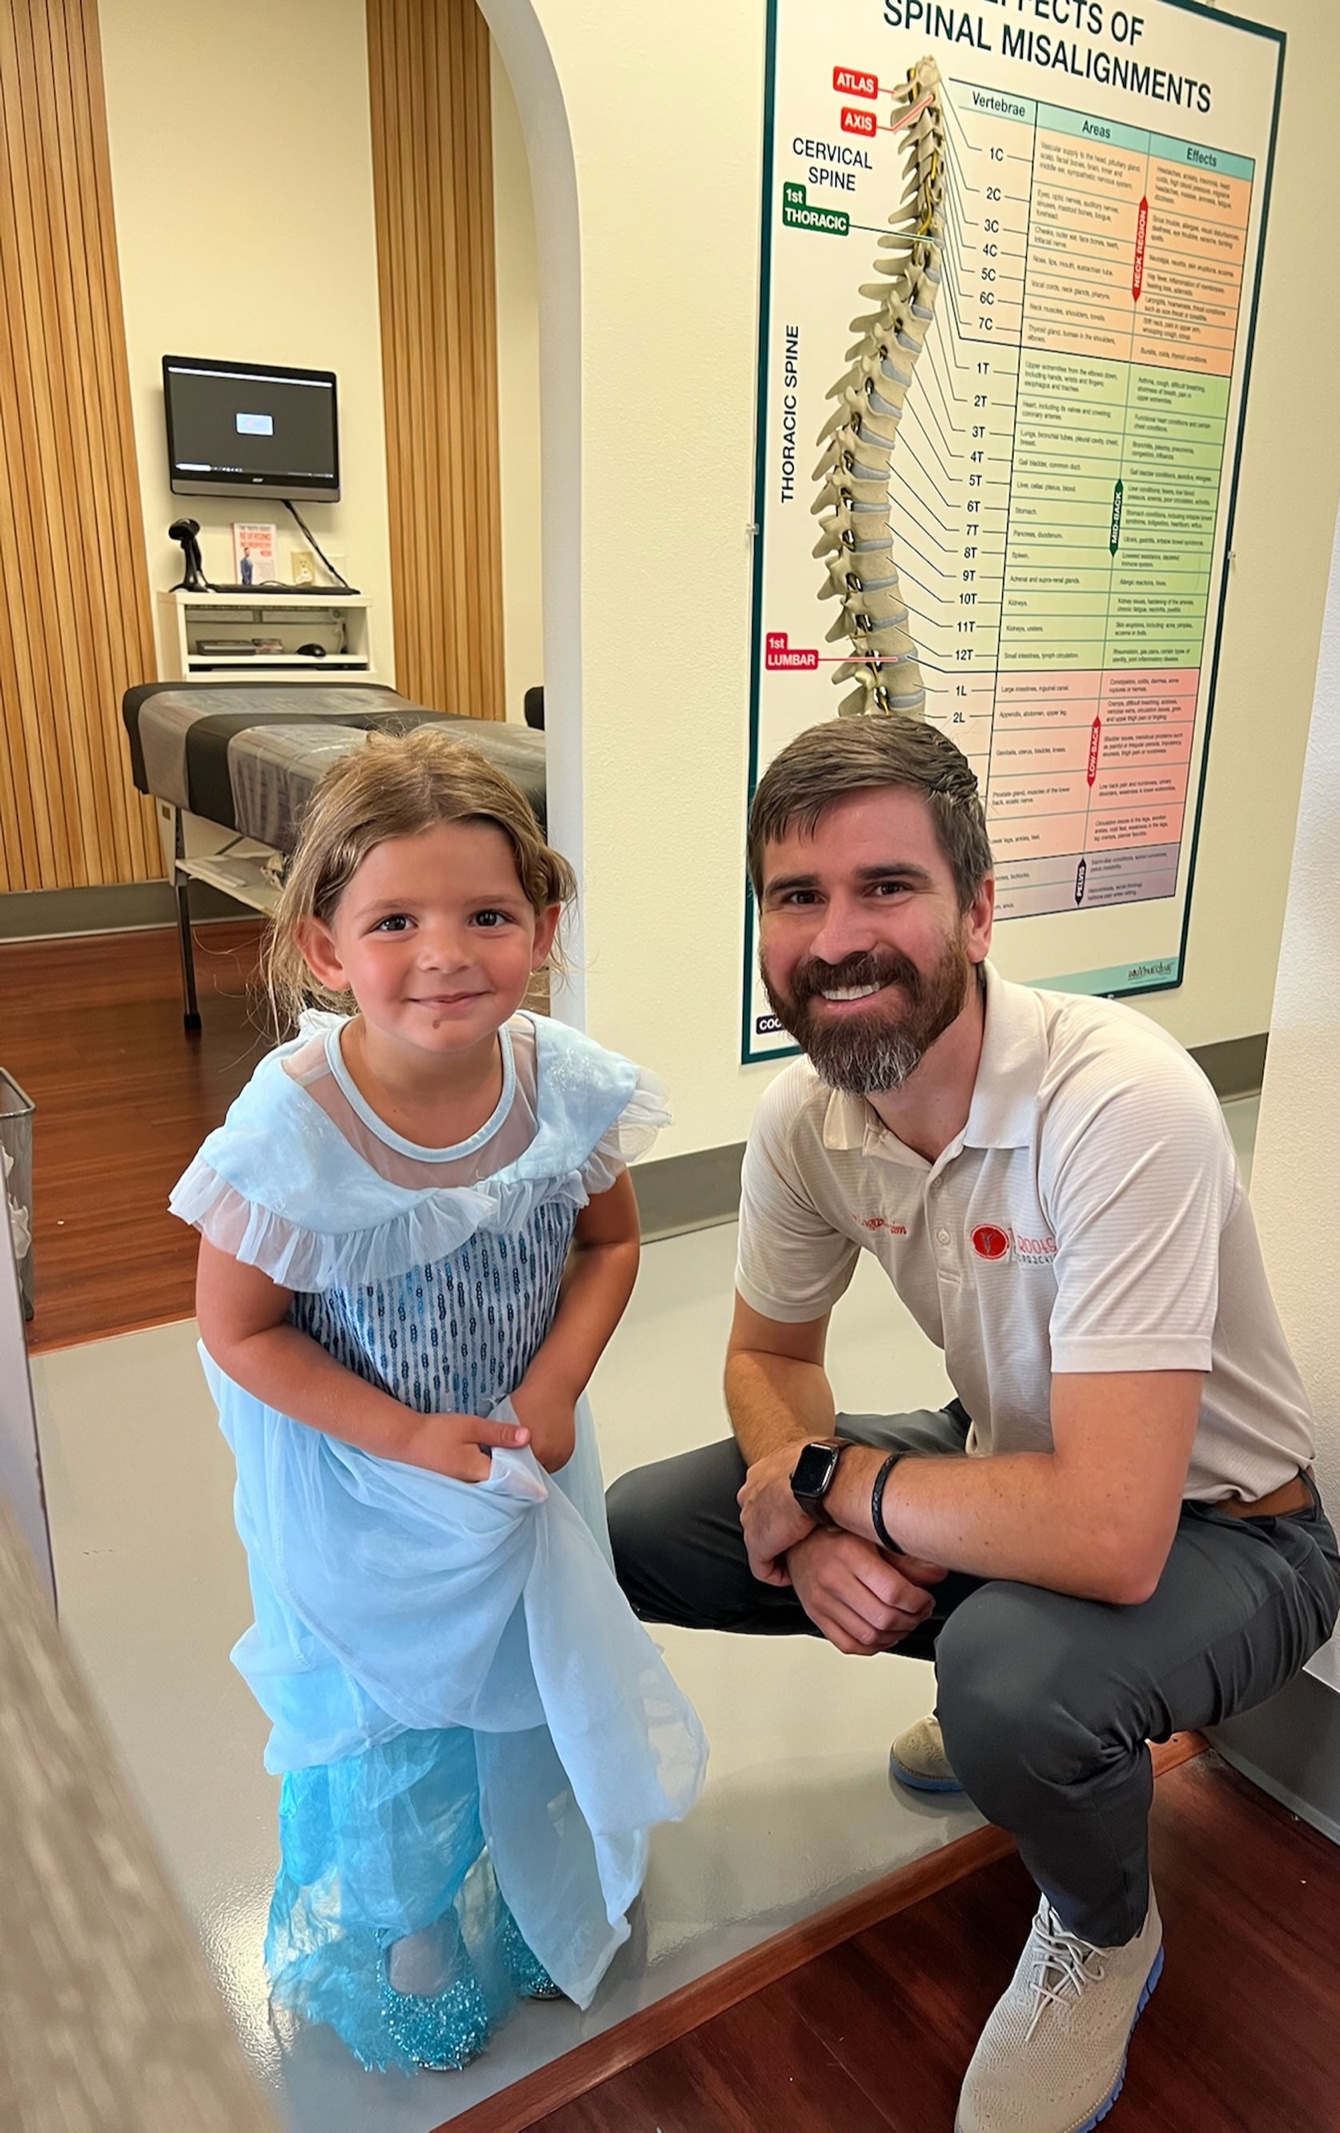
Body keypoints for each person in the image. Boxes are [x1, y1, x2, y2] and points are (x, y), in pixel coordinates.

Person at [607, 717, 1340, 2133]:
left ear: (980, 909)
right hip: (1012, 1470)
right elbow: (768, 1352)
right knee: (647, 1521)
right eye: (795, 897)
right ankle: (1031, 1714)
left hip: (1231, 1533)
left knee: (1014, 1679)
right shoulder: (804, 1119)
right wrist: (796, 1493)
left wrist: (830, 1479)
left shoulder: (1120, 1101)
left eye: (887, 886)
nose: (836, 937)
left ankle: (1101, 1922)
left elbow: (1119, 1535)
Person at [173, 727, 706, 2074]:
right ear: (321, 947)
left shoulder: (564, 1085)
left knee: (530, 1685)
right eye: (394, 920)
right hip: (370, 1489)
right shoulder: (286, 1135)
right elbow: (238, 1325)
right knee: (400, 1725)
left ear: (543, 924)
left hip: (523, 1469)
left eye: (487, 915)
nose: (446, 954)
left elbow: (611, 1243)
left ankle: (538, 1876)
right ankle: (408, 1934)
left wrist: (556, 1383)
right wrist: (407, 1434)